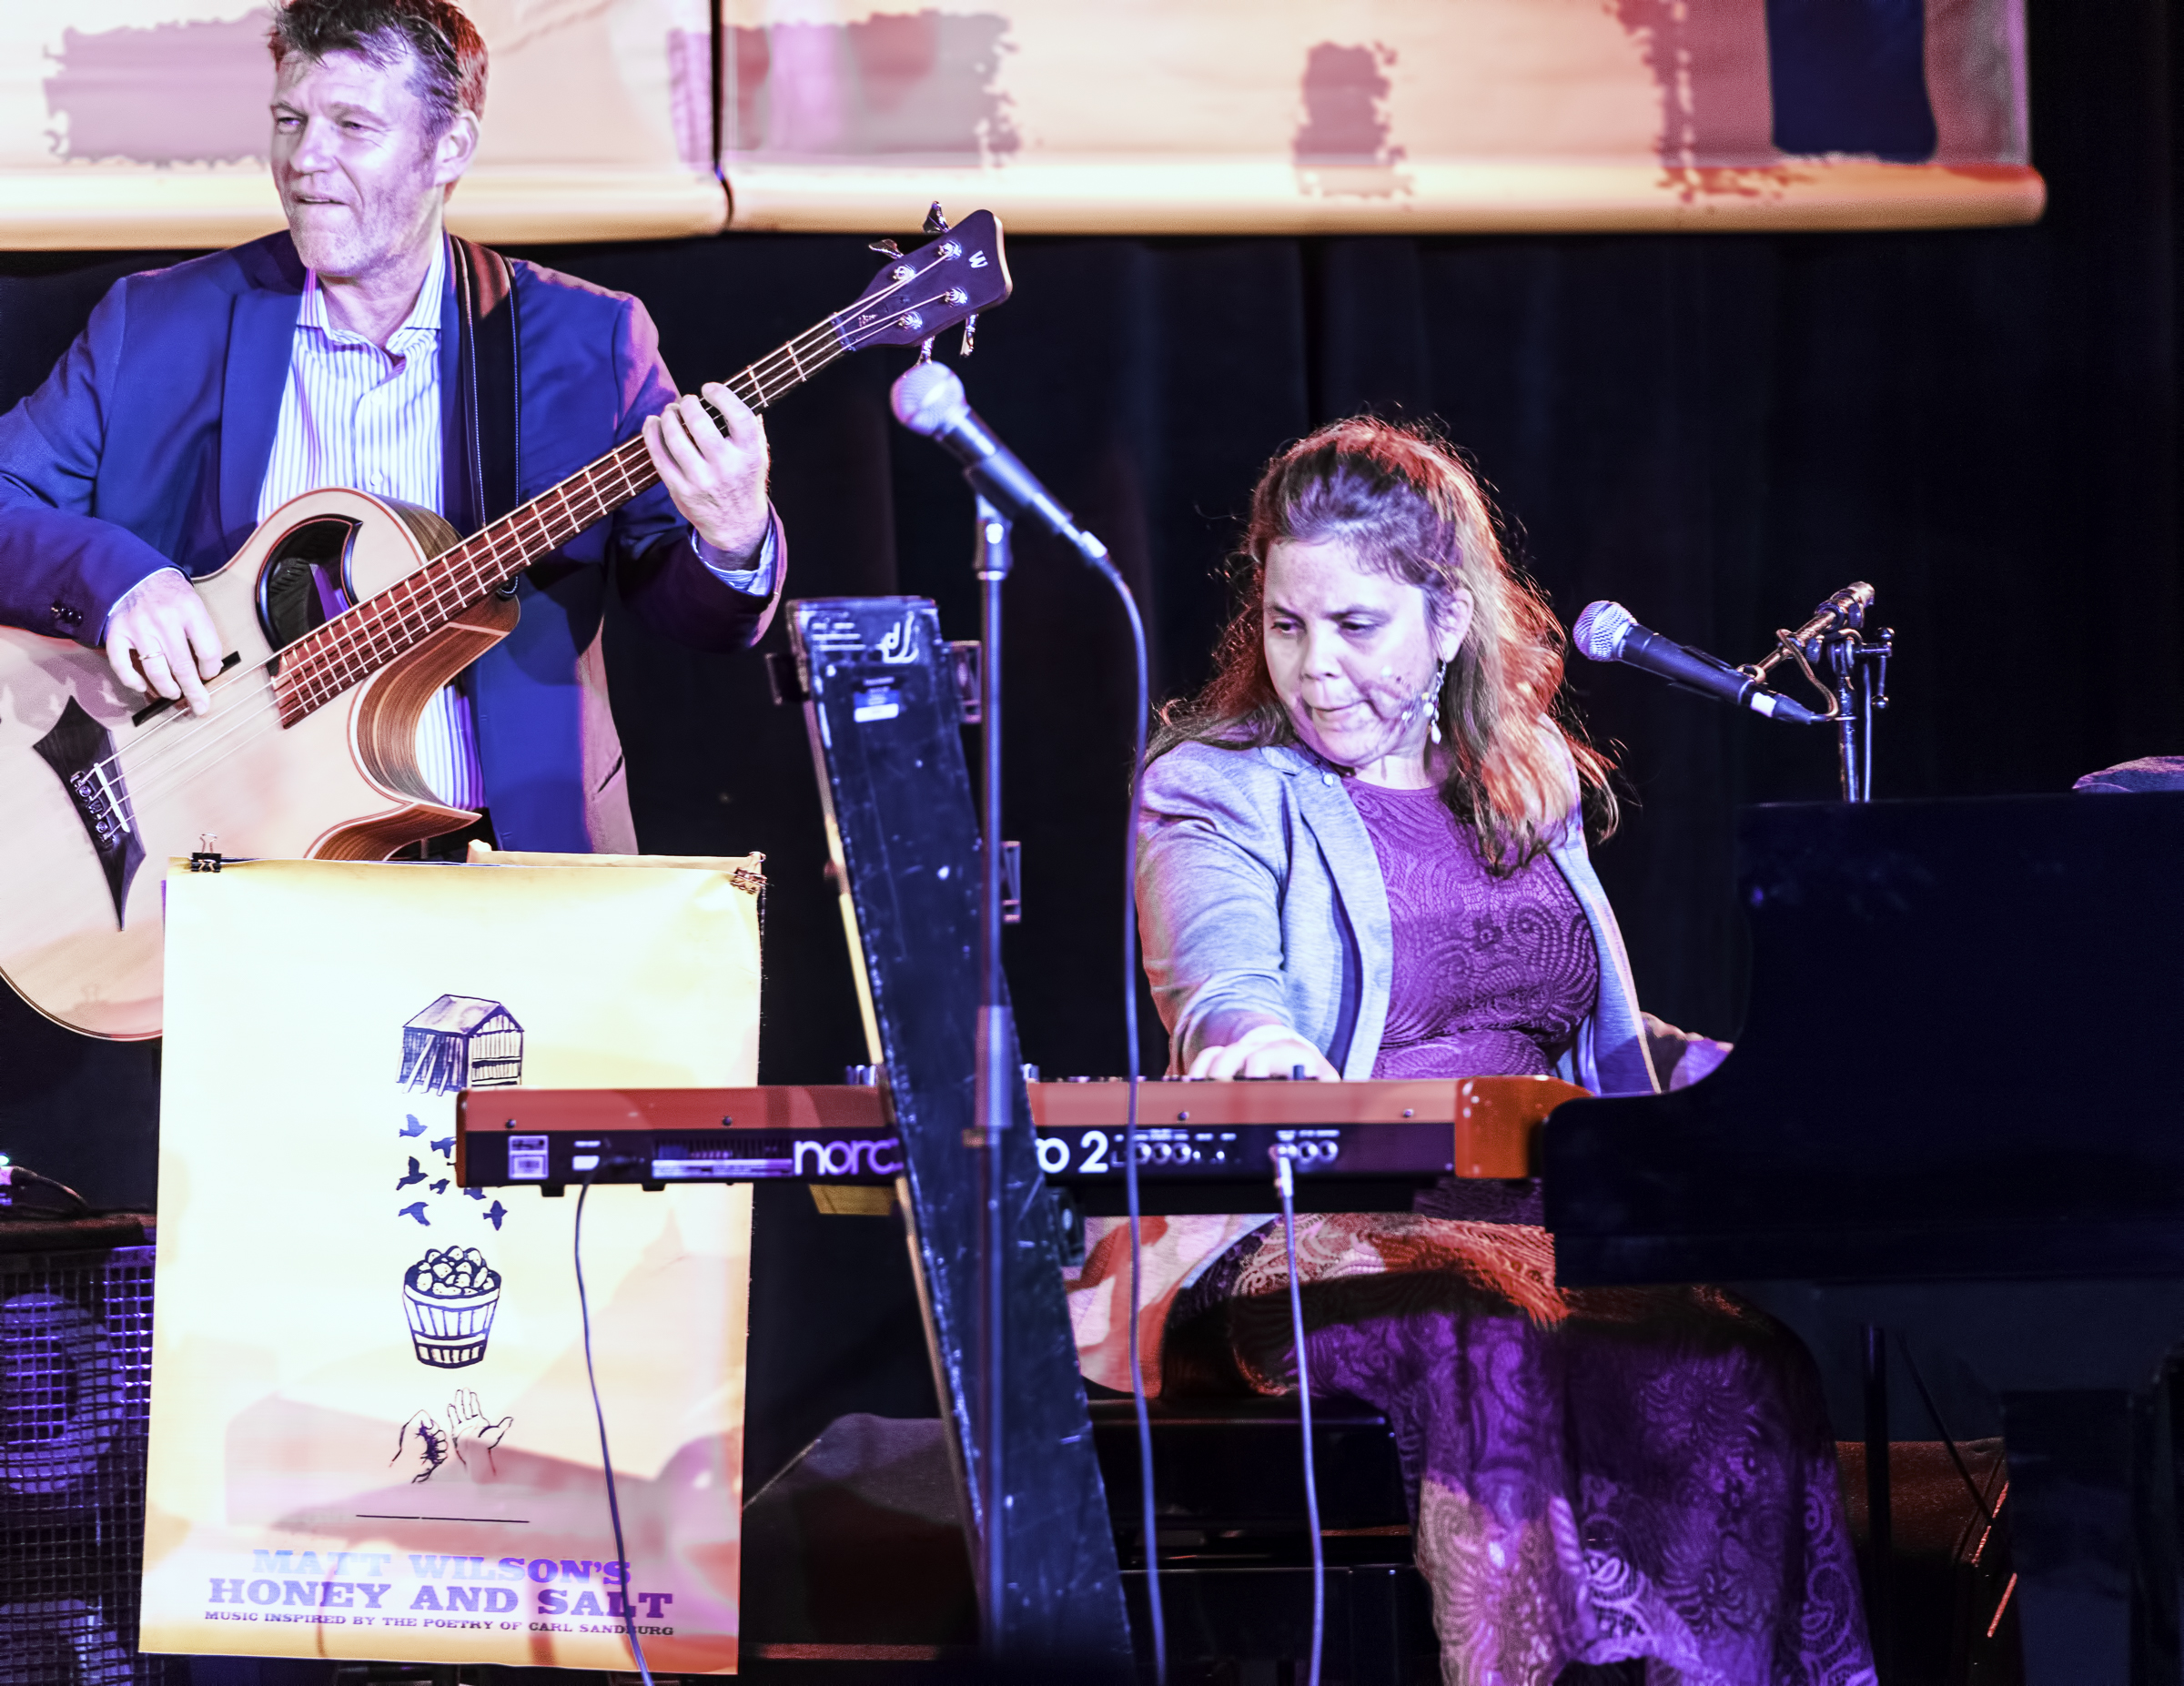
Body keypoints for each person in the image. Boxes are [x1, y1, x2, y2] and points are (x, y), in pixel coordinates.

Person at [1077, 419, 1874, 1684]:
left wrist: (1771, 1071)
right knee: (1484, 1332)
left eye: (1355, 628)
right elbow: (1221, 983)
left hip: (1542, 1220)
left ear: (1450, 620)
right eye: (1288, 625)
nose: (1316, 670)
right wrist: (1259, 1049)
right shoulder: (1217, 787)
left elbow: (1601, 1037)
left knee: (1740, 1357)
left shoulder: (1522, 774)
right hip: (1322, 1235)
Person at [0, 0, 780, 854]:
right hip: (220, 862)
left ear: (451, 147)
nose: (305, 160)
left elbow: (696, 616)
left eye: (352, 125)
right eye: (289, 120)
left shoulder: (587, 341)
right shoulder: (155, 327)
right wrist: (118, 583)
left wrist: (734, 536)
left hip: (504, 859)